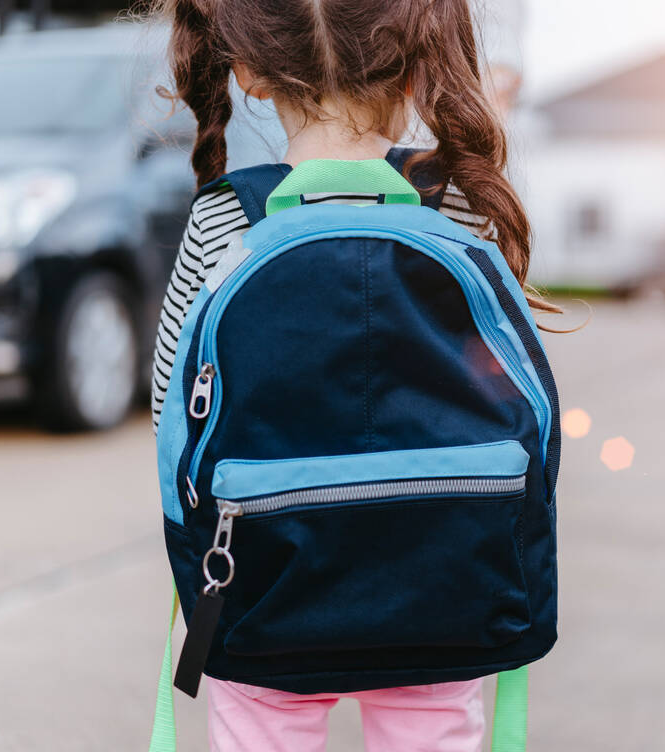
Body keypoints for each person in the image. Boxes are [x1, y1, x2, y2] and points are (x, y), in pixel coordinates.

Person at [148, 1, 558, 749]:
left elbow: (169, 419)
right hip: (446, 594)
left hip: (263, 587)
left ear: (249, 72)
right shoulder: (460, 206)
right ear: (419, 68)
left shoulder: (222, 221)